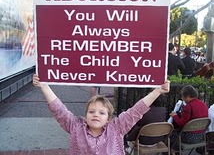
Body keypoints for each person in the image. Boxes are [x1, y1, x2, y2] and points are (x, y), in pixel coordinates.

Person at [32, 74, 170, 155]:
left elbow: (136, 111)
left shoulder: (116, 128)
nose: (95, 115)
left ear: (109, 118)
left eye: (101, 112)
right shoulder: (75, 126)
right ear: (85, 115)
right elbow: (59, 110)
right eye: (91, 112)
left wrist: (157, 92)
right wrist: (44, 86)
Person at [169, 85, 208, 152]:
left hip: (188, 137)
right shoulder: (203, 104)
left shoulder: (188, 107)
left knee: (171, 133)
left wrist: (174, 116)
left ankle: (173, 151)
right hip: (201, 136)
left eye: (183, 97)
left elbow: (182, 124)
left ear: (187, 97)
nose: (182, 99)